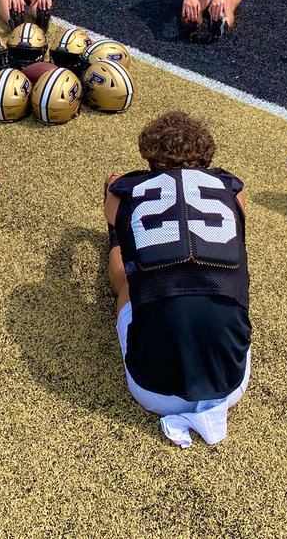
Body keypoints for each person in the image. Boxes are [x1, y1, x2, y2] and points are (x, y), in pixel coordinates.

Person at [105, 111, 251, 448]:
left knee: (129, 279)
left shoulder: (124, 192)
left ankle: (114, 247)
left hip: (153, 389)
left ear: (149, 156)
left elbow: (113, 212)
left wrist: (116, 193)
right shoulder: (233, 192)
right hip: (229, 383)